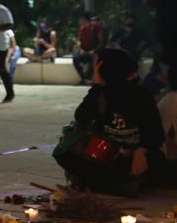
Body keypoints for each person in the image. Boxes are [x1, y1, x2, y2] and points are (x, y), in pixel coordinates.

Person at [54, 48, 170, 197]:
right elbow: (82, 117)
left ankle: (105, 183)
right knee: (65, 153)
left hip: (132, 157)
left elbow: (156, 134)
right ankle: (118, 184)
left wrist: (141, 150)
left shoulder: (141, 96)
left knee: (157, 162)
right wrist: (96, 86)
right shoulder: (102, 93)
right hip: (105, 156)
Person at [72, 12, 103, 83]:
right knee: (75, 58)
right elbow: (79, 40)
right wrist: (80, 49)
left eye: (80, 20)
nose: (79, 22)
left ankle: (88, 77)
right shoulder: (82, 28)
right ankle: (84, 78)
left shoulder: (96, 26)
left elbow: (101, 41)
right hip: (84, 50)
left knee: (95, 59)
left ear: (85, 20)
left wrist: (94, 50)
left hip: (94, 50)